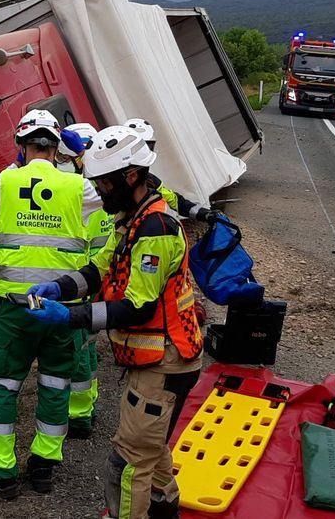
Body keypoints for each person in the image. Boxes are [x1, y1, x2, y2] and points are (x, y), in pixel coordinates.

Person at [24, 126, 207, 519]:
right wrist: (58, 287)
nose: (99, 191)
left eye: (104, 184)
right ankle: (164, 509)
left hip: (167, 360)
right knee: (152, 450)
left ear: (131, 176)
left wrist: (70, 317)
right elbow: (98, 269)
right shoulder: (131, 220)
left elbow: (137, 307)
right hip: (153, 359)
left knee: (128, 462)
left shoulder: (156, 230)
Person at [0, 109, 103, 498]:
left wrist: (16, 170)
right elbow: (101, 202)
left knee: (2, 384)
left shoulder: (7, 179)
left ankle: (2, 471)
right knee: (54, 382)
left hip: (14, 308)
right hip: (61, 306)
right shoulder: (77, 186)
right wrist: (79, 162)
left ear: (22, 145)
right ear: (57, 146)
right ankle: (44, 465)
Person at [60, 122, 108, 439]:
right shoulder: (101, 190)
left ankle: (79, 415)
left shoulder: (78, 192)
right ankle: (88, 401)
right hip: (101, 278)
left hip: (83, 280)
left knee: (79, 350)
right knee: (89, 346)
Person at [123, 117, 216, 223]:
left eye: (148, 147)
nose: (145, 153)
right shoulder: (109, 185)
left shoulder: (149, 180)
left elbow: (173, 200)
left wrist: (203, 213)